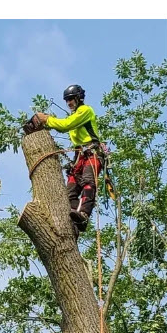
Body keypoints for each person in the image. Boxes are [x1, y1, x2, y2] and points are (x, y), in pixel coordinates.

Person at [35, 84, 103, 235]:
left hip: (92, 154)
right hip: (79, 156)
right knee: (70, 192)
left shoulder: (85, 111)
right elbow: (64, 125)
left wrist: (47, 119)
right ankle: (74, 221)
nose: (69, 103)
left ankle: (84, 215)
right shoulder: (73, 116)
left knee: (87, 182)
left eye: (71, 99)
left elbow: (65, 125)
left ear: (79, 98)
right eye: (67, 100)